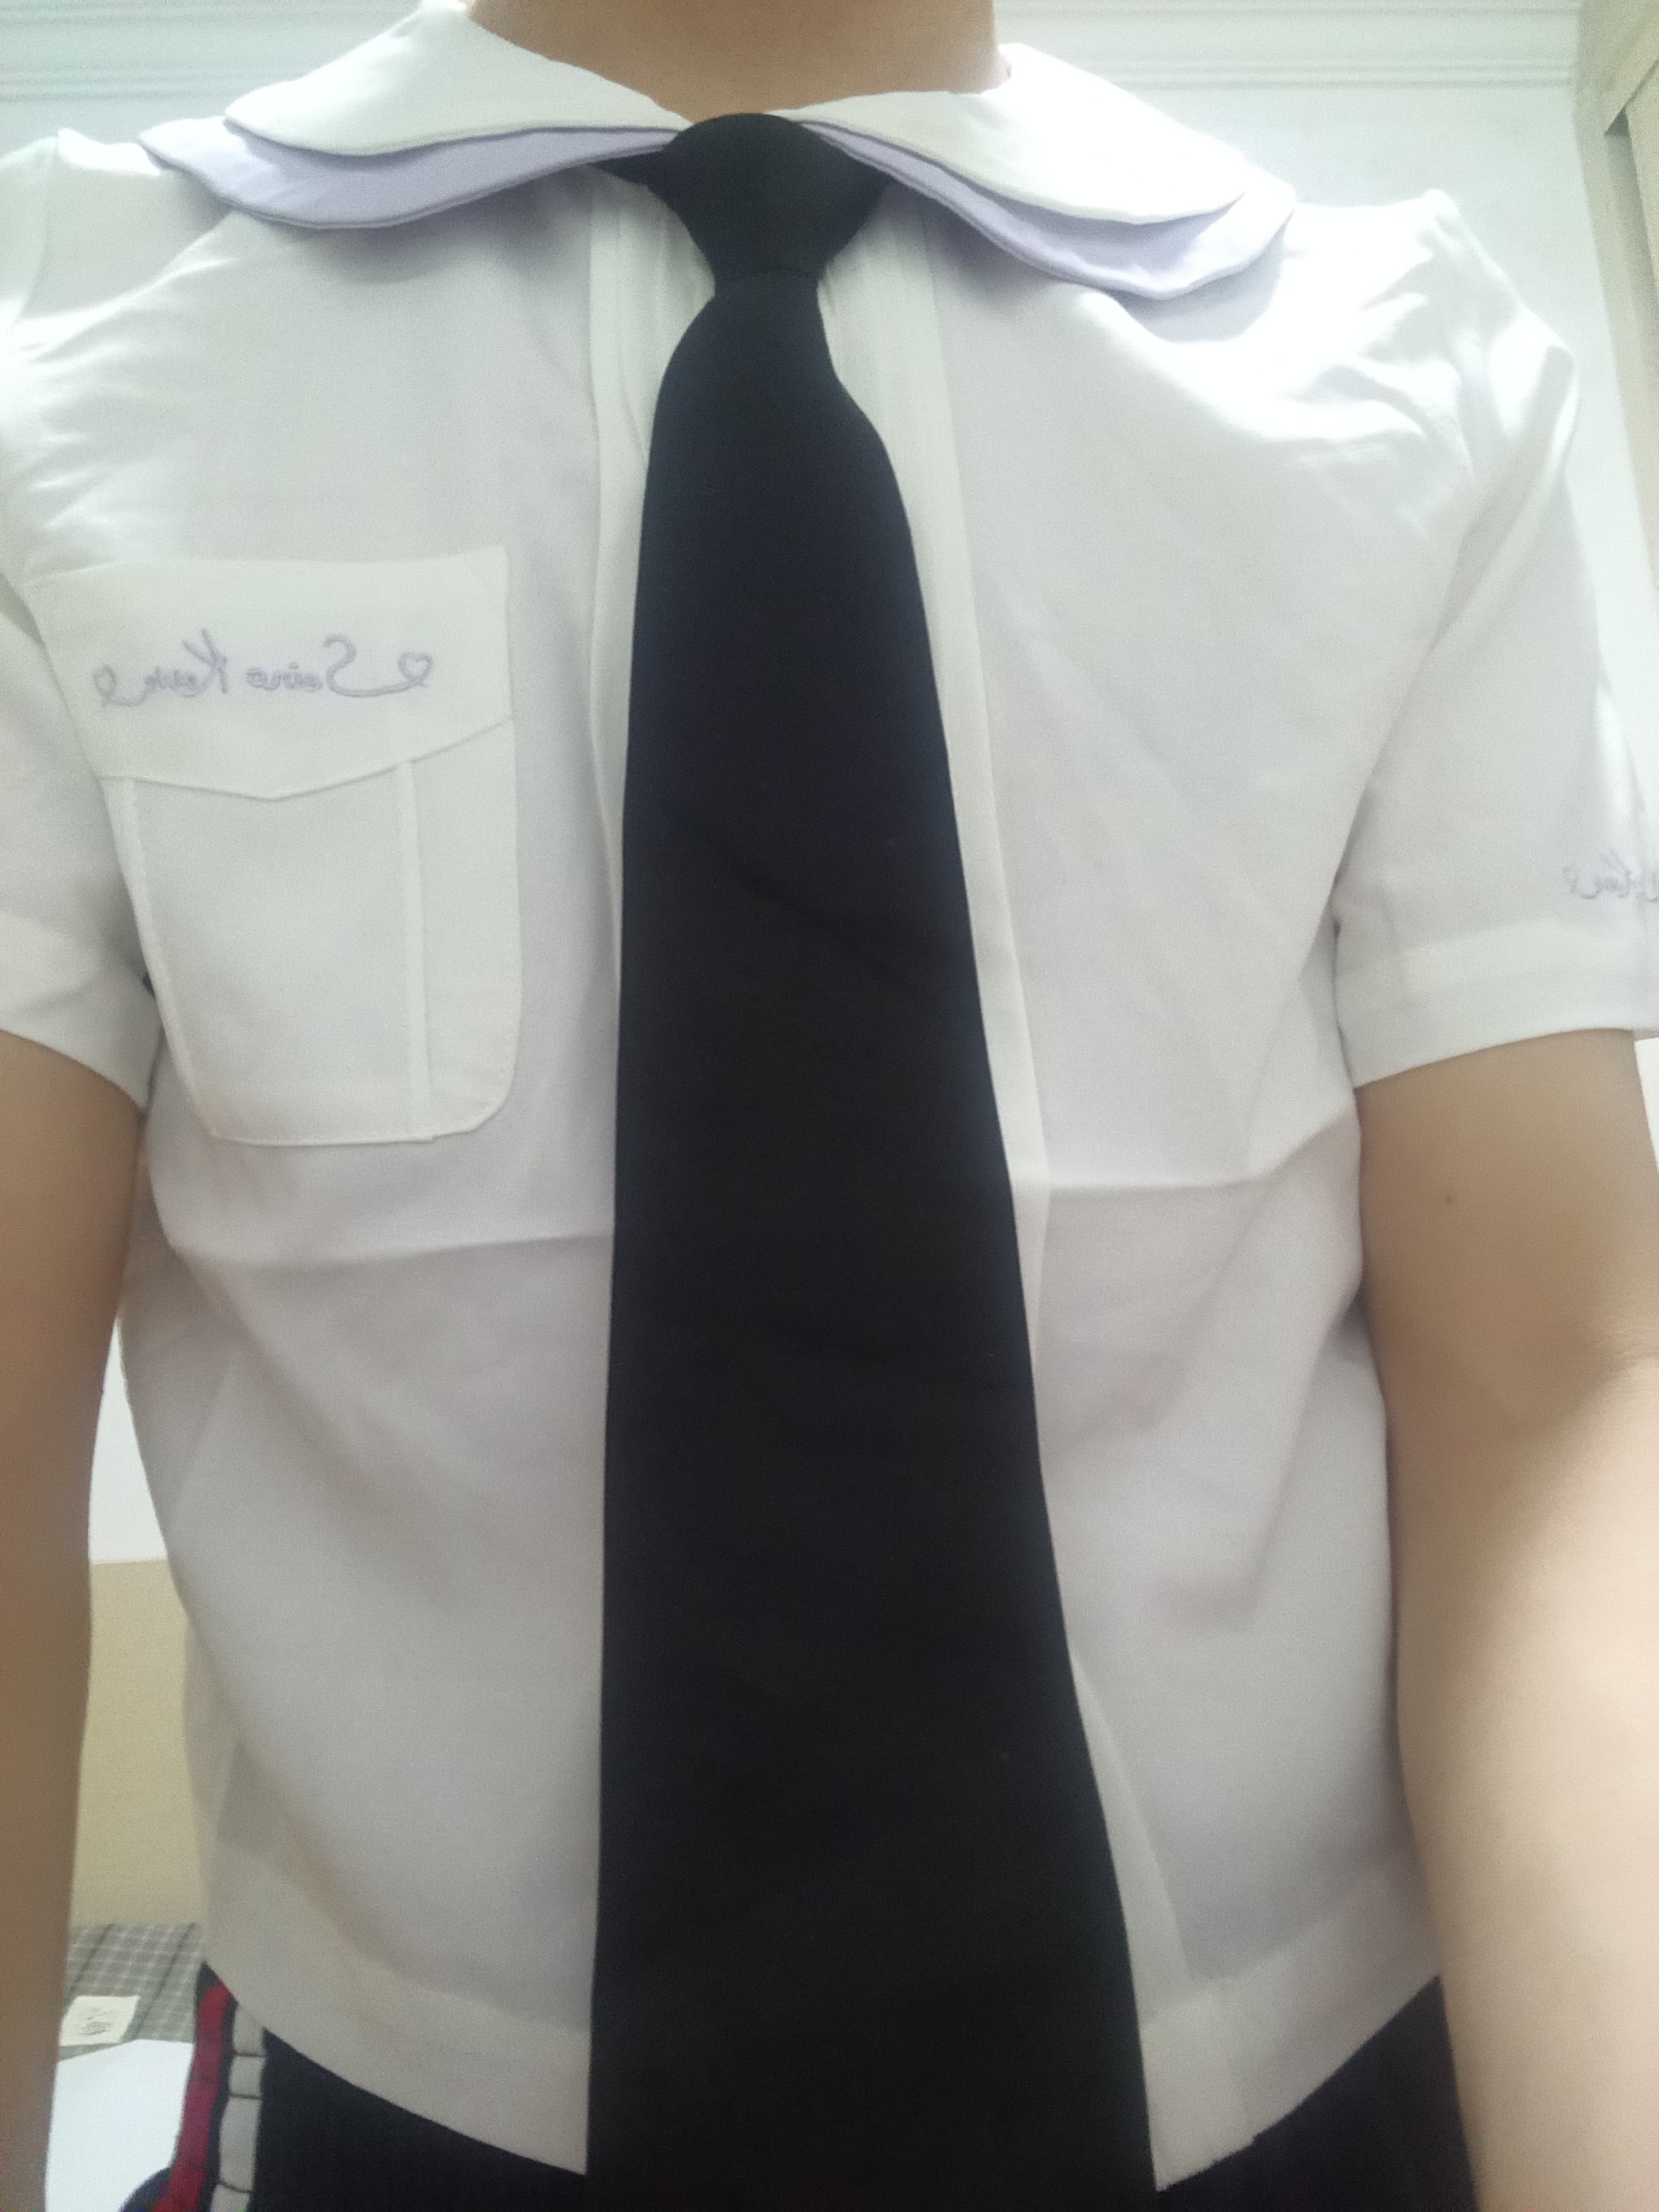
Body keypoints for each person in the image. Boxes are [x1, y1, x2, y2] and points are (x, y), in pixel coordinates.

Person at [3, 0, 1658, 2205]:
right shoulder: (60, 342)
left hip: (1316, 2067)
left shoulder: (1402, 367)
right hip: (432, 2105)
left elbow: (1557, 1393)